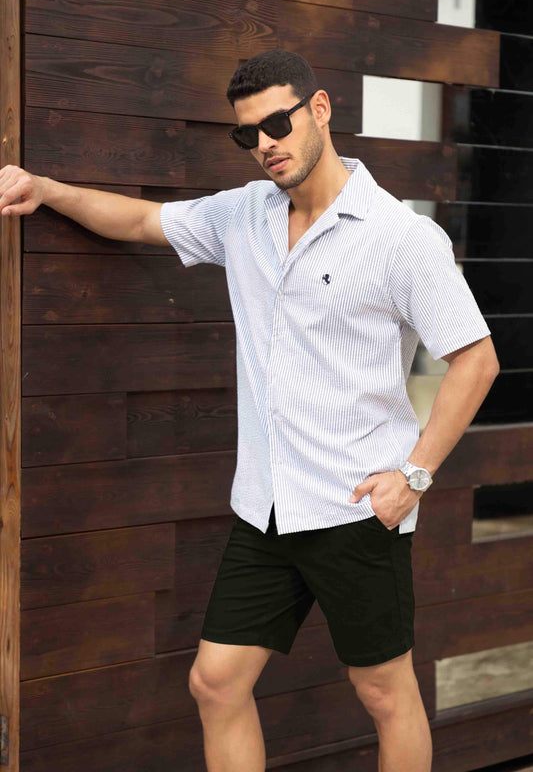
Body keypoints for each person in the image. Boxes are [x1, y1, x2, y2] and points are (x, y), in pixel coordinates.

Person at [0, 49, 499, 772]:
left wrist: (413, 476)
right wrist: (46, 188)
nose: (264, 143)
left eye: (277, 123)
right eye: (247, 133)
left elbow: (476, 360)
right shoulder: (245, 215)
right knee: (215, 681)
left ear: (319, 109)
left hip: (357, 509)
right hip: (264, 508)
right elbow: (141, 221)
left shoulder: (400, 236)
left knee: (384, 694)